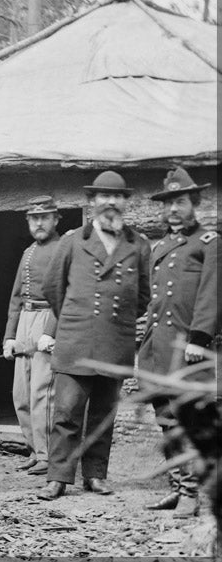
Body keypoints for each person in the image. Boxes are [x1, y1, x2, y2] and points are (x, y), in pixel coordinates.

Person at [38, 170, 151, 500]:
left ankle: (95, 475)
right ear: (92, 202)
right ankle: (58, 477)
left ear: (125, 203)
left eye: (117, 197)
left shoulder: (138, 245)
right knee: (67, 413)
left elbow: (142, 296)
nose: (111, 203)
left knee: (103, 414)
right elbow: (53, 288)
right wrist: (77, 318)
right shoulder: (73, 241)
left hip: (115, 343)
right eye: (104, 196)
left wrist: (114, 323)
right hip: (76, 341)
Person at [138, 167, 217, 517]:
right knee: (166, 419)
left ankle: (192, 493)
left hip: (187, 346)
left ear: (194, 203)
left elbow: (212, 295)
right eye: (168, 202)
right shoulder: (162, 246)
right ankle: (176, 487)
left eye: (180, 201)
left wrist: (198, 339)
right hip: (158, 345)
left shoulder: (209, 243)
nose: (173, 209)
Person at [3, 196, 61, 476]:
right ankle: (32, 449)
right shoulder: (28, 252)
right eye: (33, 218)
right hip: (25, 320)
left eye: (44, 217)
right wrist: (10, 336)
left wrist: (50, 332)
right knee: (21, 392)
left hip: (48, 317)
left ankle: (47, 454)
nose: (38, 223)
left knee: (41, 391)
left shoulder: (63, 249)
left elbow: (65, 296)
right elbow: (16, 297)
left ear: (56, 219)